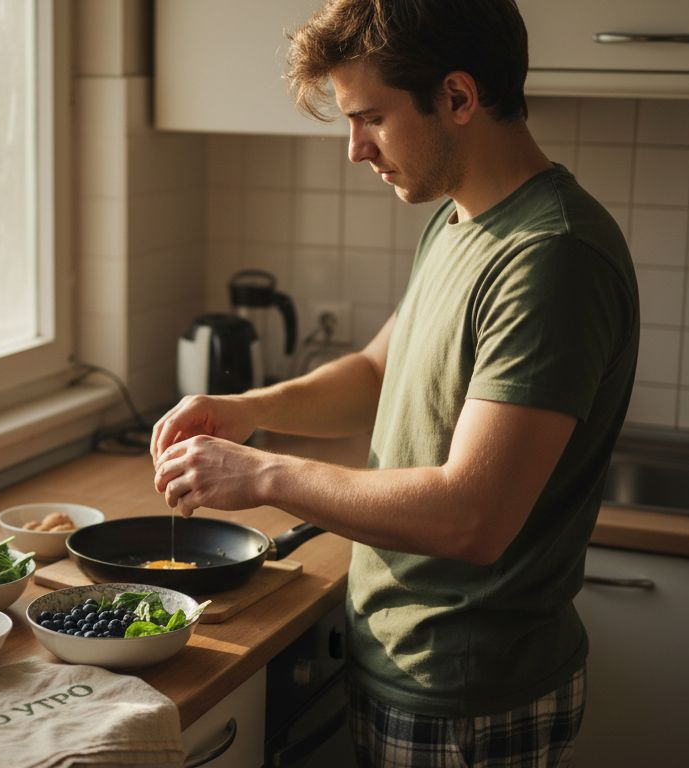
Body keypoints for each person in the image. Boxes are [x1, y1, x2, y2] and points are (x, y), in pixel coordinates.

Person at [150, 0, 639, 765]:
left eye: (371, 118)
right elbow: (379, 371)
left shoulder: (552, 258)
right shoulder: (460, 220)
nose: (355, 150)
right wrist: (247, 409)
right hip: (406, 661)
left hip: (467, 693)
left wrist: (263, 474)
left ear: (458, 97)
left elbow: (472, 518)